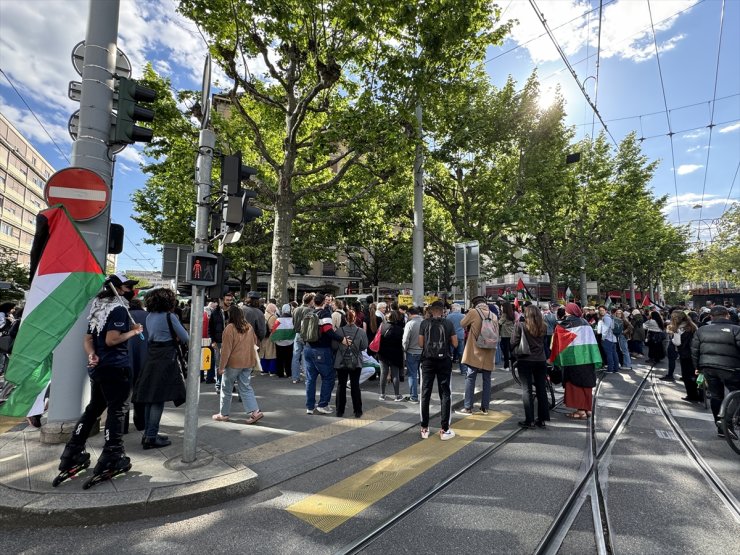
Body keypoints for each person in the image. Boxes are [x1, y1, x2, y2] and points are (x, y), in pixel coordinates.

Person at [57, 273, 143, 480]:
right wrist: (135, 331)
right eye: (128, 286)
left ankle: (72, 451)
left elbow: (88, 339)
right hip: (116, 367)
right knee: (117, 410)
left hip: (99, 367)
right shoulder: (119, 309)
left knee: (94, 408)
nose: (131, 290)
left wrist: (92, 354)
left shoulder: (98, 308)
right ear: (120, 289)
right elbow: (112, 339)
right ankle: (112, 454)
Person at [133, 288, 188, 448]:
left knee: (151, 397)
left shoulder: (149, 317)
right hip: (166, 358)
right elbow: (185, 337)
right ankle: (151, 436)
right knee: (158, 399)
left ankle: (149, 433)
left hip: (152, 356)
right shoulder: (170, 316)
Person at [691, 305, 740, 437]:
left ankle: (720, 426)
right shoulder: (736, 329)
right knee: (737, 393)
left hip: (708, 367)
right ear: (727, 315)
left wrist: (697, 367)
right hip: (732, 368)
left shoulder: (701, 330)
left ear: (711, 317)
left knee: (716, 396)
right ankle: (727, 422)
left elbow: (695, 351)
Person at [212, 305, 263, 424]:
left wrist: (221, 366)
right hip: (248, 362)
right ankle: (255, 412)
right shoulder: (248, 326)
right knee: (245, 387)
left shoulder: (230, 328)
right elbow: (255, 342)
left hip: (234, 363)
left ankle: (223, 414)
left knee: (226, 388)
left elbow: (226, 350)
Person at [304, 293, 351, 415]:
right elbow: (327, 330)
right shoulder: (325, 313)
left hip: (308, 348)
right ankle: (323, 404)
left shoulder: (309, 313)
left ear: (314, 302)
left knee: (310, 379)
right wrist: (342, 340)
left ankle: (309, 406)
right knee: (328, 377)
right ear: (324, 302)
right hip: (322, 349)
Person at [418, 300, 458, 440]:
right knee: (445, 393)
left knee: (425, 392)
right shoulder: (448, 324)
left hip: (428, 361)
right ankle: (444, 429)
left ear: (431, 310)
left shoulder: (424, 323)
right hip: (444, 360)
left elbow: (420, 343)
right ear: (442, 311)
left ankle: (424, 428)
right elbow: (455, 343)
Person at [554, 303, 600, 419]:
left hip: (573, 359)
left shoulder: (565, 324)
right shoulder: (585, 322)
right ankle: (587, 409)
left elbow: (558, 341)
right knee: (586, 383)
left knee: (575, 384)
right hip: (587, 358)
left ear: (568, 311)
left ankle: (580, 412)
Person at [456, 296, 497, 416]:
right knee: (487, 379)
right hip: (489, 350)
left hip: (475, 349)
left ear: (475, 305)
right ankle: (485, 408)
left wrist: (469, 314)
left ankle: (468, 407)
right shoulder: (493, 315)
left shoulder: (473, 312)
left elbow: (462, 323)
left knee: (470, 377)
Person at [512, 305, 550, 428]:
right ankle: (542, 419)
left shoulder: (520, 325)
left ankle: (530, 420)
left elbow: (513, 342)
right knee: (541, 389)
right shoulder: (543, 326)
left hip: (525, 359)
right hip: (541, 360)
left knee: (526, 389)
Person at [334, 309, 368, 417]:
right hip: (356, 361)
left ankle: (340, 410)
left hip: (341, 361)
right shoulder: (361, 331)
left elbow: (334, 346)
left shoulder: (339, 331)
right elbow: (364, 346)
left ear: (345, 318)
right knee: (355, 385)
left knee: (341, 385)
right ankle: (357, 410)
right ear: (355, 319)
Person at [665, 310, 700, 401]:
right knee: (696, 374)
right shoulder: (692, 326)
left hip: (685, 354)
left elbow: (677, 343)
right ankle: (700, 394)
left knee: (687, 375)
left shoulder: (678, 329)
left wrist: (672, 337)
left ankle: (692, 396)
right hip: (696, 353)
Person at [377, 310, 406, 401]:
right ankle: (397, 395)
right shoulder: (400, 329)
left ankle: (382, 394)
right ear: (395, 318)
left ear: (386, 318)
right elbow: (402, 342)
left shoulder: (382, 327)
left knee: (383, 374)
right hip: (396, 353)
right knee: (395, 374)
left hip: (383, 353)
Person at [291, 293, 314, 384]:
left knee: (295, 356)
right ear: (311, 301)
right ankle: (307, 376)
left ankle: (295, 377)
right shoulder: (309, 310)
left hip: (297, 334)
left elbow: (293, 321)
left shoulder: (296, 309)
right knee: (305, 356)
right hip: (305, 335)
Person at [402, 306, 423, 402]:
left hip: (412, 352)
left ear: (409, 314)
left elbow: (405, 339)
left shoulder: (410, 324)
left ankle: (414, 397)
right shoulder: (425, 322)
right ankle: (424, 396)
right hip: (424, 352)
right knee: (423, 375)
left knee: (412, 375)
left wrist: (404, 349)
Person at [271, 304, 296, 378]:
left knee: (280, 358)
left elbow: (274, 330)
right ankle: (289, 373)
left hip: (279, 343)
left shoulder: (278, 319)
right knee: (289, 358)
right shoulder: (292, 319)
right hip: (290, 342)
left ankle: (280, 373)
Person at [597, 305, 619, 373]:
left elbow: (605, 329)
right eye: (600, 311)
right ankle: (615, 368)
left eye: (602, 310)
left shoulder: (606, 318)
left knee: (609, 354)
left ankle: (610, 369)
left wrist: (603, 338)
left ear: (606, 310)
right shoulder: (610, 317)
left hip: (607, 338)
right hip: (613, 338)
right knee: (614, 354)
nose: (601, 312)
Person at [446, 304, 466, 373]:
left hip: (451, 336)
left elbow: (446, 326)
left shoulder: (449, 316)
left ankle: (448, 369)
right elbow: (465, 326)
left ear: (453, 309)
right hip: (460, 336)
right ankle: (463, 370)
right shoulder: (463, 316)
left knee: (449, 353)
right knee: (461, 353)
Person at [260, 303, 278, 376]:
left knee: (263, 354)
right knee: (272, 353)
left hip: (263, 336)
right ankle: (272, 371)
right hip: (271, 336)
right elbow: (276, 328)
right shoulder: (274, 317)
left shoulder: (262, 316)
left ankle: (264, 370)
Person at [498, 301, 516, 370]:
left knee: (505, 350)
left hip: (505, 334)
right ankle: (514, 366)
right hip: (512, 334)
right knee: (512, 350)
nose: (501, 308)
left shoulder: (504, 314)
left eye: (502, 306)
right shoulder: (512, 314)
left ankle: (506, 366)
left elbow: (499, 322)